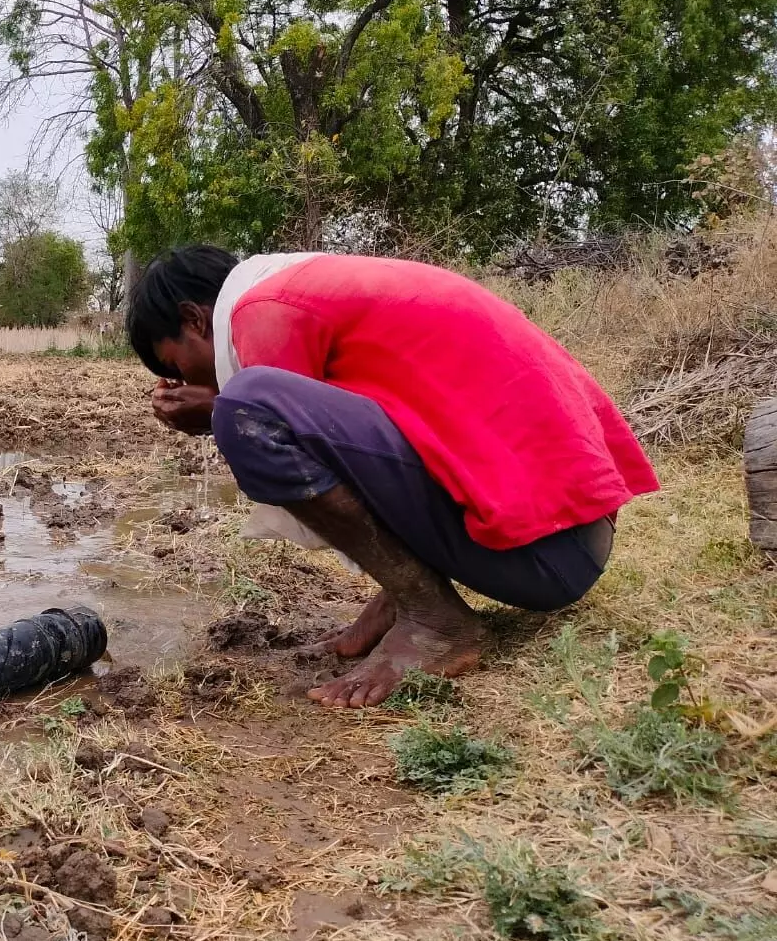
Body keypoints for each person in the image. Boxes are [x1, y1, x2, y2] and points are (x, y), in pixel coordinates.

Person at [126, 246, 658, 709]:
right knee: (254, 404)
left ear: (196, 319)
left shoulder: (265, 311)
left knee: (248, 407)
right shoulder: (309, 284)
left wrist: (219, 407)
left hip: (548, 554)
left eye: (175, 365)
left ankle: (434, 619)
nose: (181, 382)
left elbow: (277, 434)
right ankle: (403, 598)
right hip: (571, 535)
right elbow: (368, 447)